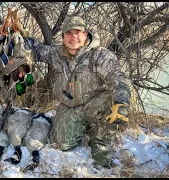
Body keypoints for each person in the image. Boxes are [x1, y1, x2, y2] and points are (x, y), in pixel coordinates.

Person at [26, 16, 131, 168]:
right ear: (63, 36)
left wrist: (121, 100)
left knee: (112, 103)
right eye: (69, 33)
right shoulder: (57, 53)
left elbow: (118, 78)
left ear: (86, 34)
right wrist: (24, 41)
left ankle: (99, 140)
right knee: (61, 144)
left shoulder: (100, 55)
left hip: (94, 104)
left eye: (78, 32)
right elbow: (39, 51)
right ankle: (84, 126)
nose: (73, 37)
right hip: (70, 108)